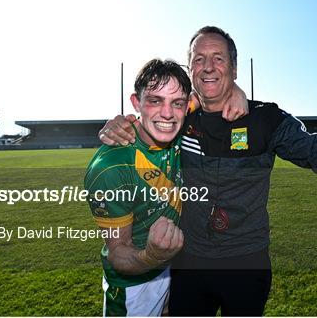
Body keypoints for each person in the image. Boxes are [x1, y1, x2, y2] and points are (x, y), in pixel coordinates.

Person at [98, 26, 317, 316]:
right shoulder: (178, 117)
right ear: (190, 69)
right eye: (199, 59)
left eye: (218, 58)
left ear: (234, 69)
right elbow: (146, 121)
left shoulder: (266, 120)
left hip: (247, 265)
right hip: (189, 264)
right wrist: (122, 125)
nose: (208, 66)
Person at [84, 58, 248, 316]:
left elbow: (206, 94)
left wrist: (236, 91)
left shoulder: (179, 126)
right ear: (136, 103)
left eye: (177, 103)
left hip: (181, 268)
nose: (168, 113)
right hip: (136, 286)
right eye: (155, 101)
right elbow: (118, 253)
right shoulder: (111, 168)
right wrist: (151, 257)